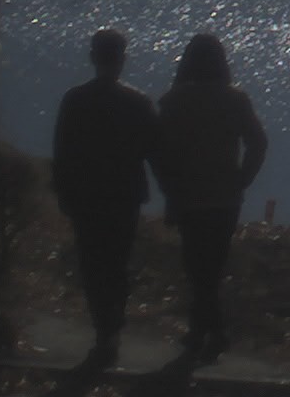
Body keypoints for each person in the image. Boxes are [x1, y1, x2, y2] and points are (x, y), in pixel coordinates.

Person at [152, 32, 269, 361]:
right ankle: (207, 332)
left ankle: (205, 332)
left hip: (188, 196)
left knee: (196, 266)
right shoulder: (236, 99)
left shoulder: (173, 102)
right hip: (225, 198)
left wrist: (169, 188)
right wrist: (242, 179)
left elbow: (159, 152)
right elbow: (258, 143)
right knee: (211, 267)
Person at [50, 29, 157, 367]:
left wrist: (63, 191)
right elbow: (154, 148)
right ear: (122, 59)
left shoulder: (75, 99)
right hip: (123, 194)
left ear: (94, 57)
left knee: (93, 262)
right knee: (116, 262)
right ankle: (111, 327)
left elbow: (62, 151)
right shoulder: (137, 101)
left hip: (87, 194)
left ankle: (104, 326)